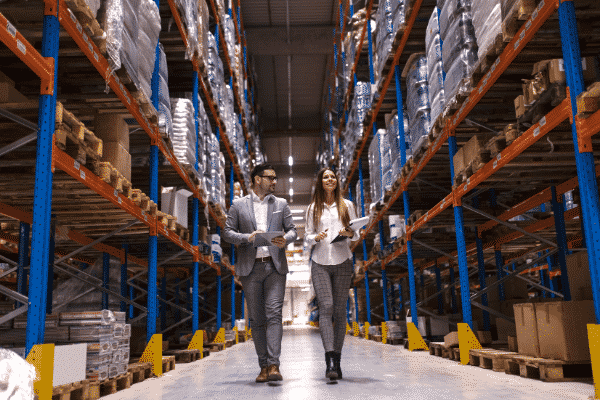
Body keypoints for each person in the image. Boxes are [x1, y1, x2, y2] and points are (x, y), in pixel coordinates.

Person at [223, 163, 297, 383]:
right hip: (250, 267)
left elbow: (292, 229)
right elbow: (227, 233)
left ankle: (274, 365)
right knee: (257, 319)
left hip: (274, 266)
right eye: (270, 178)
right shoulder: (238, 205)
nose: (274, 181)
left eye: (275, 178)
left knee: (274, 314)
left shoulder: (281, 204)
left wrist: (287, 239)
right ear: (257, 179)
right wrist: (247, 237)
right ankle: (263, 365)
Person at [305, 167, 359, 380]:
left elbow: (356, 235)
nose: (330, 179)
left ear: (337, 181)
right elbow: (307, 235)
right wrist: (315, 237)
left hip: (343, 260)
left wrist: (349, 233)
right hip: (320, 261)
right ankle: (328, 359)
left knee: (339, 310)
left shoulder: (347, 206)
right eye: (326, 177)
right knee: (325, 307)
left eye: (333, 176)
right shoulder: (312, 208)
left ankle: (337, 358)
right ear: (320, 182)